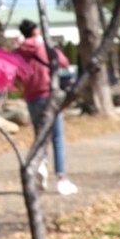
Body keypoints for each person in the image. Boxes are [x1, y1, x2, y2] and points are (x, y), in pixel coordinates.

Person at [16, 20, 78, 195]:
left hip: (31, 98)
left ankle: (41, 165)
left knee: (40, 136)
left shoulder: (20, 51)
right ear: (35, 30)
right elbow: (64, 62)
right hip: (49, 96)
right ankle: (61, 179)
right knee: (57, 137)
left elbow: (17, 74)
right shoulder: (45, 47)